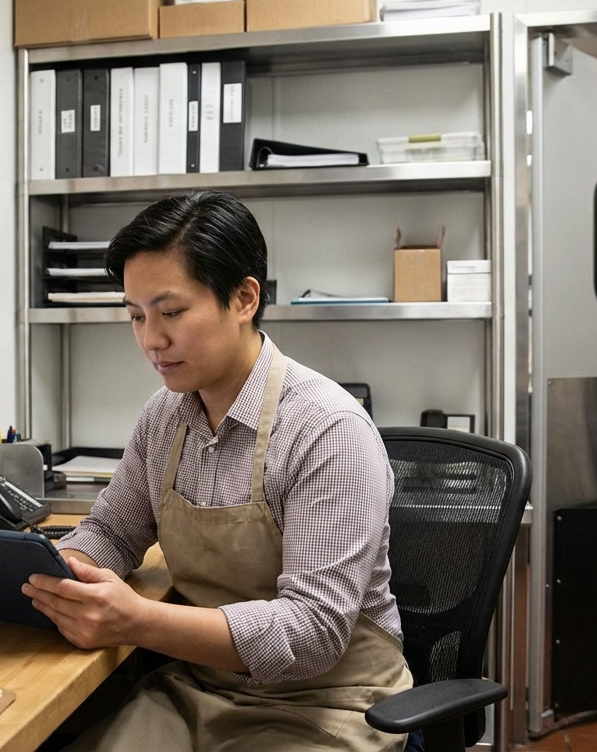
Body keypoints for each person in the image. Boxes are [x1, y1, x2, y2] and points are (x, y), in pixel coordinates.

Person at [22, 191, 413, 752]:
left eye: (171, 312)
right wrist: (61, 570)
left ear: (244, 298)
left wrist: (137, 622)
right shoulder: (164, 417)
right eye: (136, 316)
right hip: (196, 686)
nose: (151, 339)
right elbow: (113, 530)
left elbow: (312, 632)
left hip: (327, 703)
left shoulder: (327, 429)